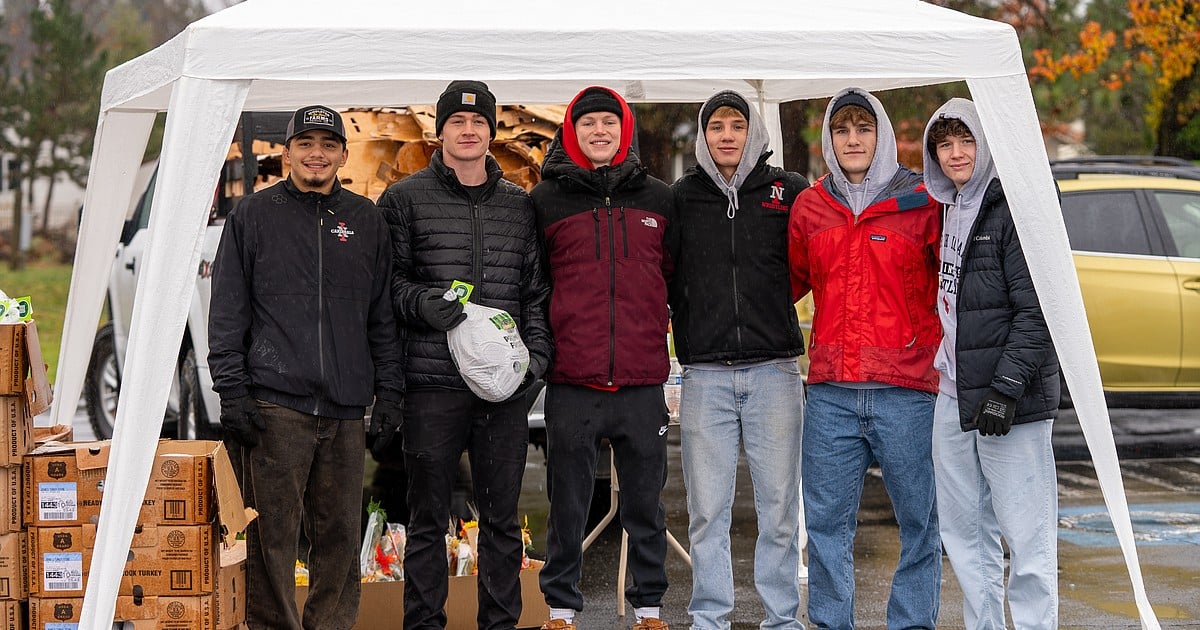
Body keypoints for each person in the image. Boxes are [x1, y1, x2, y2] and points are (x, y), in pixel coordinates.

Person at [208, 104, 406, 630]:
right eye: (305, 143)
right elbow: (227, 311)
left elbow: (382, 317)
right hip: (276, 405)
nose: (316, 153)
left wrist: (389, 395)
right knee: (272, 535)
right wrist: (232, 393)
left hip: (344, 409)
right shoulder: (252, 216)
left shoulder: (366, 219)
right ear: (287, 151)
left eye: (327, 144)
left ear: (343, 153)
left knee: (339, 534)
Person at [376, 80, 552, 630]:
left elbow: (536, 294)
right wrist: (424, 304)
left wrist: (537, 363)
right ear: (441, 130)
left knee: (501, 521)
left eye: (479, 123)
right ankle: (424, 623)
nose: (469, 131)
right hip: (431, 385)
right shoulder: (404, 200)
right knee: (426, 519)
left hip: (503, 391)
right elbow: (385, 288)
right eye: (458, 122)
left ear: (491, 131)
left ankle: (499, 624)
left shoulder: (520, 206)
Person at [787, 88, 943, 630]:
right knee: (827, 527)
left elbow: (953, 287)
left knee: (921, 523)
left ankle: (912, 623)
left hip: (908, 390)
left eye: (863, 128)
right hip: (831, 394)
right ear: (829, 139)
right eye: (841, 130)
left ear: (882, 135)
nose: (852, 140)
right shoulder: (811, 206)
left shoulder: (923, 200)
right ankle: (831, 624)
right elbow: (784, 284)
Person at [531, 85, 678, 630]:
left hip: (640, 380)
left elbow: (675, 278)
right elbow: (534, 285)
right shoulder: (545, 200)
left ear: (624, 131)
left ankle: (649, 608)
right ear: (572, 130)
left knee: (646, 506)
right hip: (573, 379)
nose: (600, 132)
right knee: (566, 503)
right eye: (589, 123)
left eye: (609, 124)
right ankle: (562, 609)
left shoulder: (659, 199)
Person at [669, 90, 809, 629]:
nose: (727, 135)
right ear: (704, 134)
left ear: (754, 132)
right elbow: (663, 275)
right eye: (717, 125)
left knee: (778, 511)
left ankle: (781, 619)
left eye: (737, 124)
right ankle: (711, 617)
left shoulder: (788, 191)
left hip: (775, 371)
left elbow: (808, 262)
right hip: (704, 374)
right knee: (707, 512)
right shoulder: (681, 199)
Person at [922, 98, 1061, 630]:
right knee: (963, 533)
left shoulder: (1014, 208)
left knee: (1026, 536)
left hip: (1012, 400)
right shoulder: (951, 206)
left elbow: (1038, 308)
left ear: (985, 144)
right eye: (945, 143)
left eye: (966, 141)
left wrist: (1005, 389)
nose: (955, 153)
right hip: (954, 392)